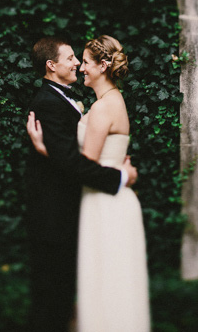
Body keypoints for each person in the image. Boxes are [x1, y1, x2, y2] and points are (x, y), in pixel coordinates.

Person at [27, 35, 150, 332]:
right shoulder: (104, 102)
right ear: (51, 65)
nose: (80, 66)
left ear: (102, 66)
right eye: (73, 59)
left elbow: (81, 163)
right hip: (103, 198)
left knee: (105, 278)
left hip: (103, 201)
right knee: (111, 279)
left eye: (83, 61)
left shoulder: (101, 107)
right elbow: (77, 162)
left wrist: (48, 150)